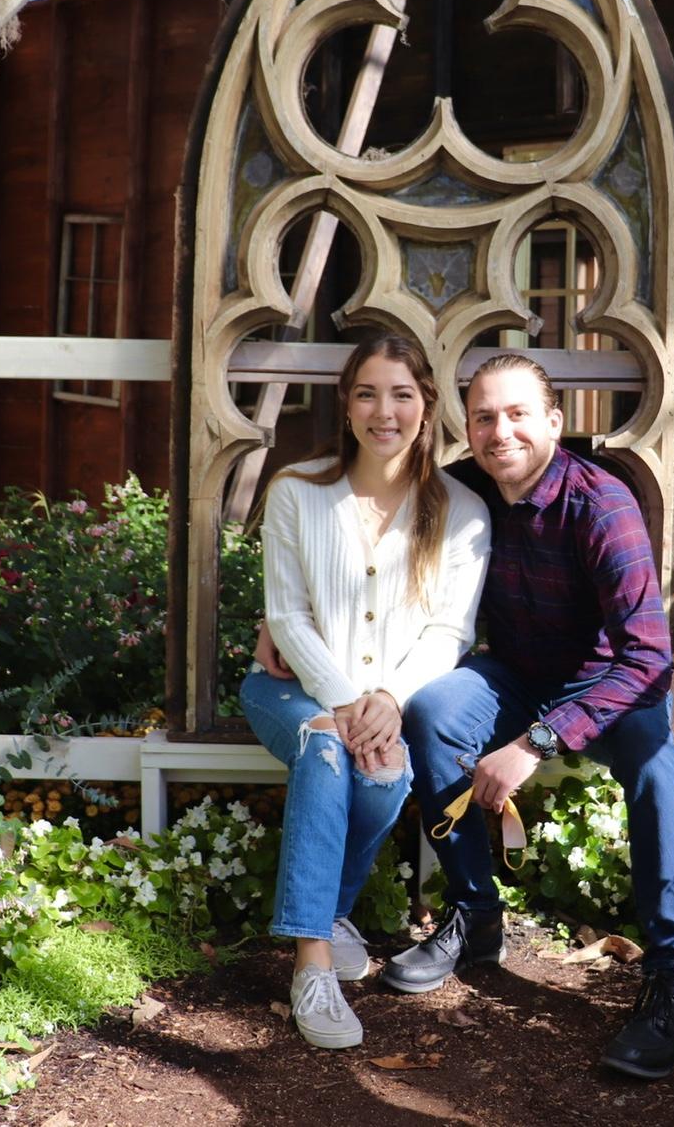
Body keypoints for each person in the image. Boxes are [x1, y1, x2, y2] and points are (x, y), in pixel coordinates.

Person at [387, 353, 674, 1080]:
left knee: (655, 768)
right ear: (467, 427)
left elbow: (649, 657)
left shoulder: (601, 505)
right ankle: (476, 918)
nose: (500, 432)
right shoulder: (465, 488)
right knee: (434, 713)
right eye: (484, 417)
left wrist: (536, 742)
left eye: (517, 414)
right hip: (515, 675)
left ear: (555, 423)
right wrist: (280, 620)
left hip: (606, 685)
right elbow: (364, 525)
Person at [241, 333, 489, 1052]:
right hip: (289, 691)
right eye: (368, 394)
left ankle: (332, 909)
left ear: (427, 406)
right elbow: (287, 616)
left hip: (387, 704)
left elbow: (450, 629)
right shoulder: (297, 490)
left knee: (385, 771)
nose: (385, 412)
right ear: (346, 406)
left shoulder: (462, 511)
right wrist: (347, 703)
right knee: (326, 747)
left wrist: (389, 699)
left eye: (402, 395)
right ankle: (312, 964)